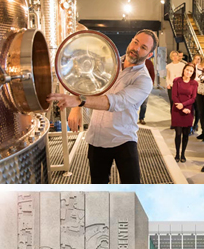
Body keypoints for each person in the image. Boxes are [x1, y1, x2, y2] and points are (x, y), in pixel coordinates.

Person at [48, 29, 158, 184]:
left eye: (144, 48)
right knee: (98, 186)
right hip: (97, 136)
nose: (136, 48)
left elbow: (115, 101)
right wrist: (77, 108)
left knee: (132, 187)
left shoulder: (143, 80)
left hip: (123, 138)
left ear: (150, 55)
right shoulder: (109, 64)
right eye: (135, 42)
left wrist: (79, 101)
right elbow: (88, 84)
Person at [171, 63, 198, 162]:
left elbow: (193, 98)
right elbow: (174, 96)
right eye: (187, 70)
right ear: (184, 70)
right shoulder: (177, 81)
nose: (188, 72)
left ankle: (183, 154)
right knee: (178, 133)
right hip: (177, 109)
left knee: (186, 134)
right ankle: (177, 154)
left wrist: (185, 106)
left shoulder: (194, 83)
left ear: (193, 73)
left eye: (191, 71)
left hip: (188, 111)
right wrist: (181, 107)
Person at [138, 57, 155, 125]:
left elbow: (152, 74)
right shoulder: (136, 61)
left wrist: (151, 85)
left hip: (146, 86)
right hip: (136, 86)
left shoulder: (149, 63)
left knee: (144, 104)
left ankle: (141, 118)